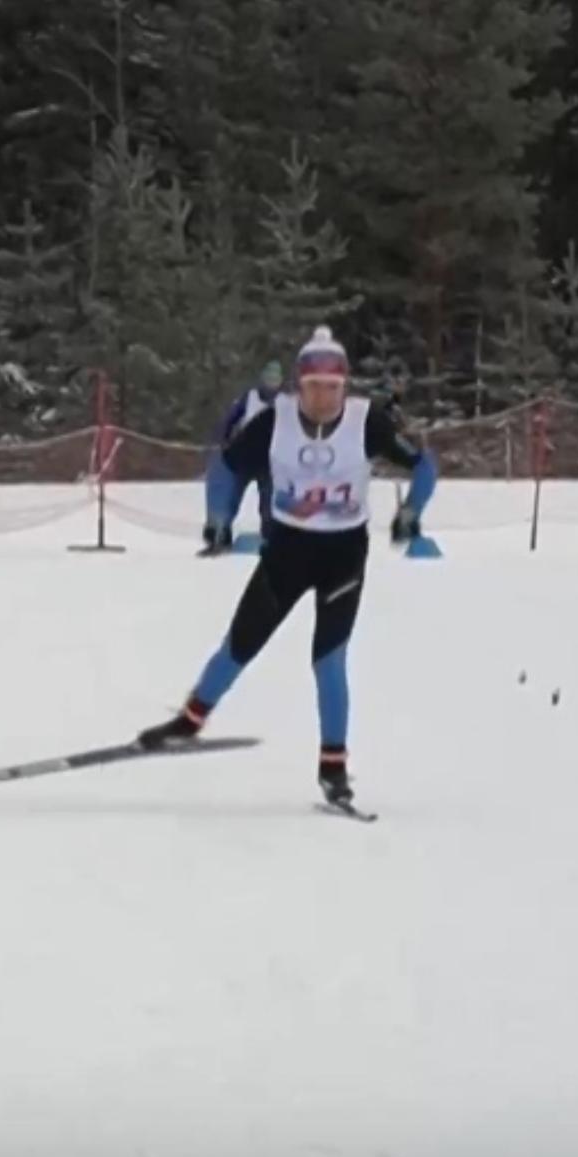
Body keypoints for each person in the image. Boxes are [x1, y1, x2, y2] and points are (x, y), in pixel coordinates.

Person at [140, 327, 439, 810]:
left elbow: (424, 467)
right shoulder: (273, 421)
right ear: (300, 385)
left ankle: (334, 769)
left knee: (329, 661)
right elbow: (226, 467)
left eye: (333, 387)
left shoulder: (368, 423)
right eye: (314, 386)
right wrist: (218, 517)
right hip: (287, 550)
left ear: (345, 387)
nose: (323, 397)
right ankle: (189, 721)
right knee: (240, 644)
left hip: (343, 555)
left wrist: (412, 512)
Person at [201, 361, 283, 554]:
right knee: (226, 494)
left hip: (271, 462)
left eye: (275, 379)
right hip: (243, 455)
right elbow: (228, 421)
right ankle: (219, 533)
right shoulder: (250, 398)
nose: (271, 383)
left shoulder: (286, 403)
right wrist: (221, 441)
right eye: (268, 378)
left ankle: (272, 536)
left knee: (270, 501)